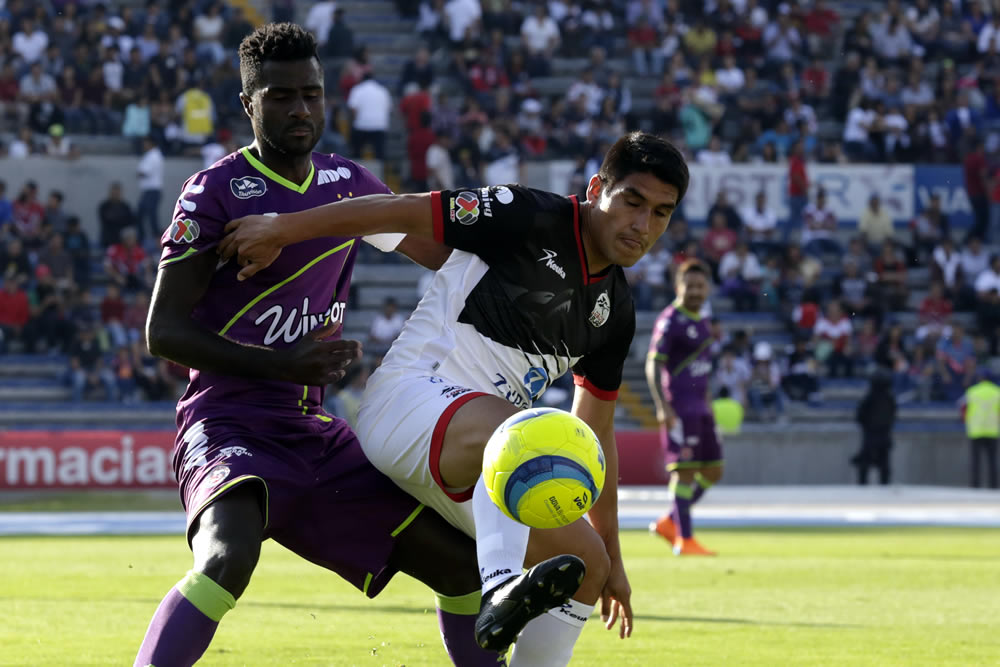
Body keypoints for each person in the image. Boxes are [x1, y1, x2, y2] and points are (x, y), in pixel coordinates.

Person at [220, 131, 690, 664]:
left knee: (586, 564)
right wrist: (282, 229)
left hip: (482, 456)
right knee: (523, 436)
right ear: (596, 188)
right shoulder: (526, 214)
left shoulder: (615, 311)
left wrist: (615, 556)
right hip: (408, 402)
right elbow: (400, 212)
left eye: (660, 213)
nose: (642, 225)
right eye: (632, 202)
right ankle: (499, 589)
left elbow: (595, 437)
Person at [134, 24, 510, 667]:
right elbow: (161, 332)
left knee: (462, 570)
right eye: (281, 97)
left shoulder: (349, 182)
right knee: (227, 558)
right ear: (248, 105)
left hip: (315, 434)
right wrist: (281, 365)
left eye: (311, 93)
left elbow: (440, 256)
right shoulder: (214, 192)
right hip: (227, 423)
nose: (301, 110)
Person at [646, 259, 721, 557]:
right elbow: (653, 362)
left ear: (708, 289)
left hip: (701, 407)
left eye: (701, 286)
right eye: (690, 285)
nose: (695, 291)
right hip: (680, 407)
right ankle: (684, 539)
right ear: (678, 286)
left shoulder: (702, 318)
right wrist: (662, 406)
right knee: (685, 472)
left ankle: (670, 521)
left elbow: (703, 369)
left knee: (714, 470)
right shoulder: (670, 320)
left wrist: (710, 404)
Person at [851, 369, 896, 485]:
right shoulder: (889, 398)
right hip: (882, 434)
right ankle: (883, 482)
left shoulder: (871, 398)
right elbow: (893, 416)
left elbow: (860, 416)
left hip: (872, 434)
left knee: (868, 460)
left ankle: (864, 483)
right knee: (883, 461)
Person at [960, 374, 1000, 489]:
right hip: (993, 430)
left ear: (980, 379)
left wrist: (966, 421)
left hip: (976, 430)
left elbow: (963, 408)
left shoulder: (972, 391)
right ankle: (994, 485)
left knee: (975, 460)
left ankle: (975, 484)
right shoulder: (997, 392)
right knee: (992, 460)